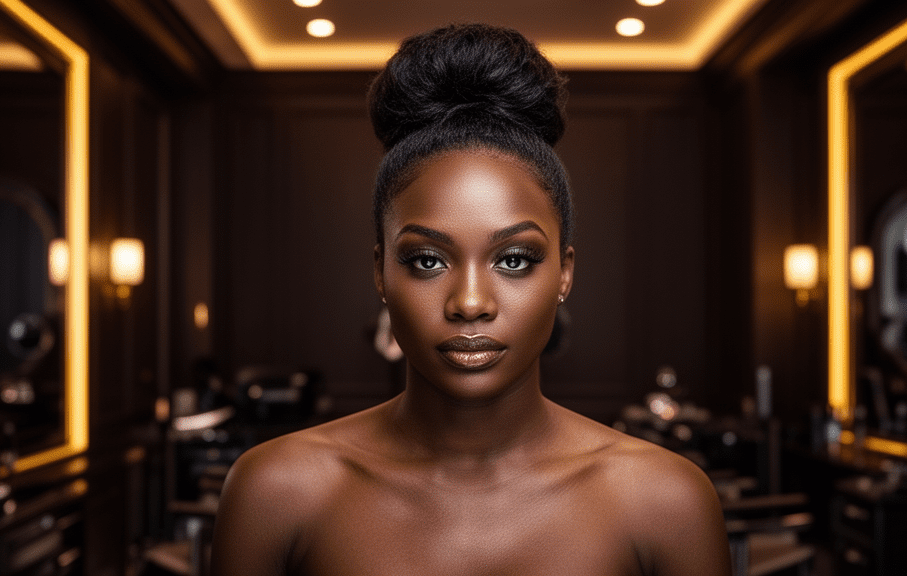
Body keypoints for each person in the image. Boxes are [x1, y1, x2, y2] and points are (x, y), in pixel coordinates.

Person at [211, 24, 731, 576]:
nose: (470, 302)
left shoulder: (664, 504)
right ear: (380, 273)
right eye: (428, 261)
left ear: (564, 273)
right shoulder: (278, 493)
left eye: (513, 260)